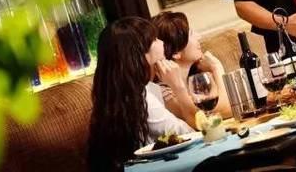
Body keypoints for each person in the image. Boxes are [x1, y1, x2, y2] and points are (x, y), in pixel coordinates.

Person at [87, 17, 193, 171]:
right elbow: (189, 134)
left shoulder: (123, 94)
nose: (161, 42)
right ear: (140, 53)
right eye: (155, 39)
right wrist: (179, 87)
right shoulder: (140, 97)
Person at [152, 11, 232, 126]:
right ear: (176, 52)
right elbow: (224, 110)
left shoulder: (198, 78)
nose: (199, 36)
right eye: (191, 34)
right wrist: (216, 68)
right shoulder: (164, 91)